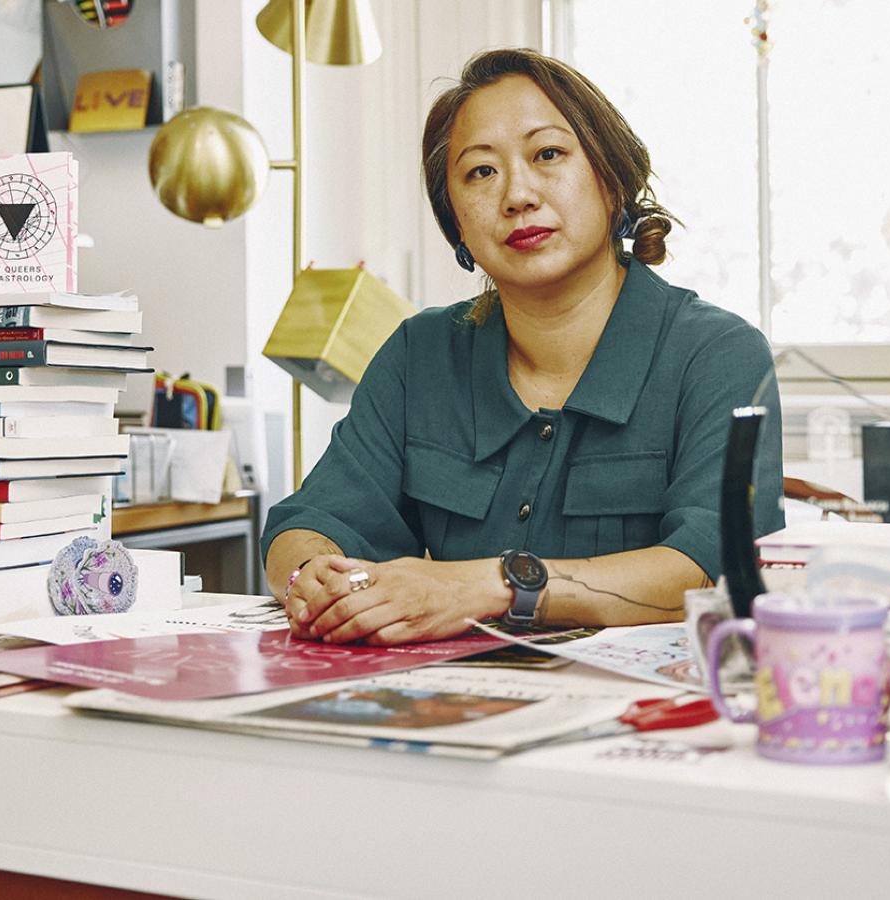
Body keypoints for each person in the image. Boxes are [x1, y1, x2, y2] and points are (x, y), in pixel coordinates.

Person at [262, 48, 783, 645]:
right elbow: (311, 520)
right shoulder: (420, 352)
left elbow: (712, 568)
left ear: (613, 180)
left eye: (549, 154)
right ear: (455, 222)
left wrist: (490, 586)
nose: (517, 195)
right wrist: (314, 575)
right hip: (445, 707)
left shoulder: (717, 354)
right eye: (481, 171)